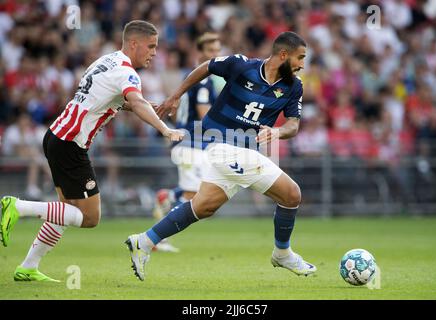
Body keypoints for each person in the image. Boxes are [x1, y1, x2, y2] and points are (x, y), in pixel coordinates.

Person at [0, 20, 184, 282]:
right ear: (134, 43)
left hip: (57, 136)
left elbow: (114, 100)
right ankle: (17, 206)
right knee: (89, 217)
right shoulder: (127, 73)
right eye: (151, 46)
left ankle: (28, 266)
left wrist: (144, 105)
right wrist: (165, 130)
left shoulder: (105, 61)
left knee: (64, 210)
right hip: (71, 145)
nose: (154, 52)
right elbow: (134, 100)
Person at [124, 31, 317, 281]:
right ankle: (282, 253)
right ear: (283, 55)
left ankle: (144, 241)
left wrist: (277, 132)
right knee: (292, 194)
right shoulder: (242, 65)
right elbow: (207, 67)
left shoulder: (294, 86)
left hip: (245, 152)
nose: (302, 64)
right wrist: (176, 95)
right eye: (300, 57)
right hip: (220, 146)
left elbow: (293, 124)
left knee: (203, 207)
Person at [152, 32, 222, 253]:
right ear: (200, 53)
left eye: (218, 51)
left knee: (194, 193)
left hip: (188, 142)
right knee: (194, 196)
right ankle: (156, 237)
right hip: (192, 144)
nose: (215, 55)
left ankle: (167, 197)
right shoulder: (204, 81)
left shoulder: (189, 75)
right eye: (211, 51)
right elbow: (204, 114)